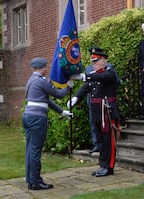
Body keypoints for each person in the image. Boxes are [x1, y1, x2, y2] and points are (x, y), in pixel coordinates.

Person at [22, 57, 73, 190]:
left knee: (30, 149)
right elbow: (59, 94)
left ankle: (30, 179)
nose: (47, 69)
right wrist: (68, 86)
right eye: (46, 67)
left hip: (28, 116)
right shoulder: (42, 81)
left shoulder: (31, 80)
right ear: (42, 68)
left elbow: (46, 101)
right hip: (37, 118)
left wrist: (62, 112)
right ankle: (36, 182)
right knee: (35, 151)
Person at [68, 47, 119, 177]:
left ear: (103, 61)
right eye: (93, 62)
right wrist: (75, 98)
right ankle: (103, 165)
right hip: (97, 112)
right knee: (101, 140)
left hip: (107, 112)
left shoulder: (109, 72)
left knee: (108, 140)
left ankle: (109, 167)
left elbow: (101, 78)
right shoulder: (95, 75)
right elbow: (85, 88)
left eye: (96, 61)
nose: (94, 64)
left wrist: (84, 76)